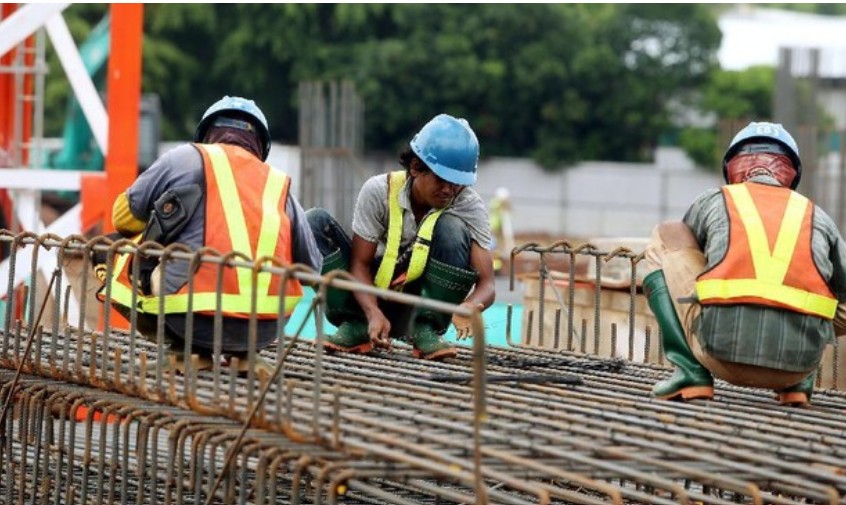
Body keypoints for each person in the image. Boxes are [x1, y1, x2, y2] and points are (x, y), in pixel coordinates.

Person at [100, 95, 322, 374]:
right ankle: (246, 356)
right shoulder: (278, 184)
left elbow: (123, 217)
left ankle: (185, 351)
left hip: (188, 319)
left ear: (206, 134)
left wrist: (166, 222)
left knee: (112, 247)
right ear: (260, 144)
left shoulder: (184, 158)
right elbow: (312, 267)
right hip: (264, 327)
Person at [643, 121, 846, 407]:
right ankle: (798, 386)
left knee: (666, 235)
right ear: (791, 172)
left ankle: (691, 374)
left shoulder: (716, 200)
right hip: (797, 365)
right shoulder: (817, 216)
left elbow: (688, 264)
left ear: (733, 167)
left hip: (719, 354)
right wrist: (812, 324)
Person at [306, 113, 496, 360]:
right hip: (368, 297)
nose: (449, 190)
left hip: (421, 303)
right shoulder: (378, 191)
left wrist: (469, 307)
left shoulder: (469, 205)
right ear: (416, 168)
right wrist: (372, 312)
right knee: (315, 223)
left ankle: (425, 329)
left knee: (452, 227)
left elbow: (488, 283)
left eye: (457, 183)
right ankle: (356, 325)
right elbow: (359, 263)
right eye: (441, 180)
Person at [488, 187, 514, 274]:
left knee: (496, 248)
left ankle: (496, 267)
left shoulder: (494, 203)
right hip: (494, 229)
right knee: (494, 248)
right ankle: (494, 267)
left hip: (494, 228)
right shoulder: (499, 204)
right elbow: (504, 218)